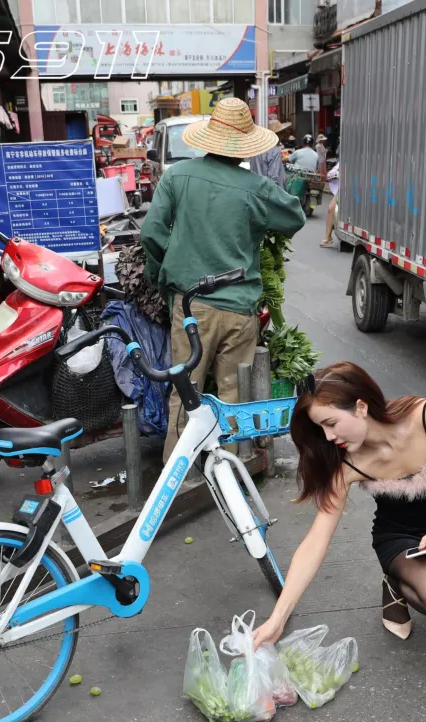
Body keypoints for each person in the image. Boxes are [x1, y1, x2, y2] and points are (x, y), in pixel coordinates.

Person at [253, 362, 426, 654]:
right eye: (320, 428)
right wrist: (278, 619)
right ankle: (399, 585)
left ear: (361, 407)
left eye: (331, 423)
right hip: (400, 538)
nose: (328, 437)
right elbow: (315, 542)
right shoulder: (345, 465)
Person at [141, 97, 306, 461]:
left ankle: (179, 477)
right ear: (244, 145)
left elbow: (151, 234)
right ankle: (227, 473)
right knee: (232, 394)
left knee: (186, 392)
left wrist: (164, 274)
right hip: (240, 307)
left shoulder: (176, 176)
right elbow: (293, 217)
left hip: (191, 306)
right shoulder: (255, 187)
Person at [250, 119, 290, 187]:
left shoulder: (257, 148)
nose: (282, 136)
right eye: (281, 133)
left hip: (256, 188)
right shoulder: (275, 150)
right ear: (278, 134)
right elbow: (274, 177)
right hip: (268, 191)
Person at [319, 160, 340, 248]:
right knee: (331, 208)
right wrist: (336, 175)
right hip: (346, 189)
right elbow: (330, 174)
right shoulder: (345, 160)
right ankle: (328, 237)